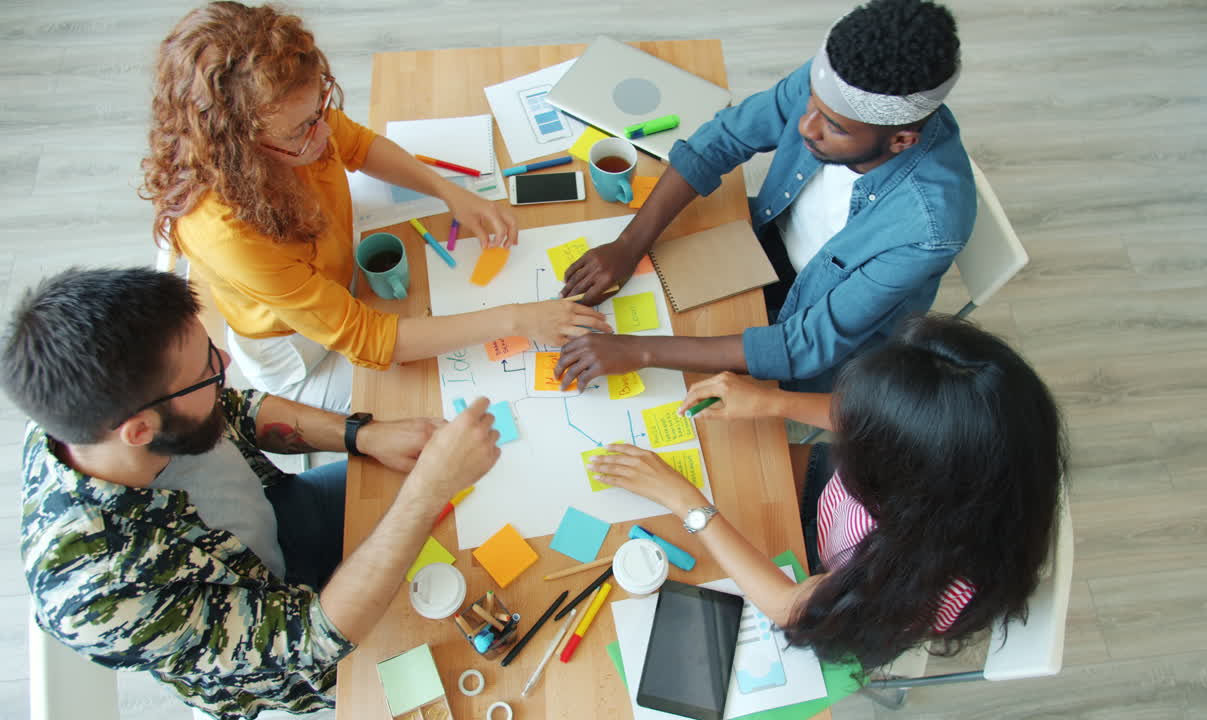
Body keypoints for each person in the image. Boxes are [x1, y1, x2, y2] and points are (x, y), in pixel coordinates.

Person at [5, 267, 502, 719]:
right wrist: (425, 491)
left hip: (285, 516)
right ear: (139, 431)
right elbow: (313, 640)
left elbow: (237, 410)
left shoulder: (96, 415)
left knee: (473, 517)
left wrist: (362, 435)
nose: (225, 362)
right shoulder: (98, 593)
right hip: (303, 647)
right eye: (207, 370)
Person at [141, 2, 610, 413]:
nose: (325, 134)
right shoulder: (227, 231)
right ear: (238, 149)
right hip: (297, 352)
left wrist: (449, 191)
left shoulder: (293, 119)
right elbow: (369, 340)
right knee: (430, 404)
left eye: (321, 109)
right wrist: (519, 319)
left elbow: (358, 145)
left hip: (338, 285)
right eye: (302, 130)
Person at [588, 315, 1067, 672]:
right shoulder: (989, 446)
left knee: (721, 513)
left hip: (850, 590)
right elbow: (882, 419)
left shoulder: (929, 578)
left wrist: (685, 501)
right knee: (740, 468)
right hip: (837, 516)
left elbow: (789, 608)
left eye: (861, 436)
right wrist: (772, 401)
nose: (849, 431)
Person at [556, 0, 975, 393]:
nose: (806, 127)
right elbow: (721, 140)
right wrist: (630, 244)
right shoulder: (836, 86)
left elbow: (806, 344)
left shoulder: (928, 227)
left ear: (902, 140)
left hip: (815, 336)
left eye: (834, 128)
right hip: (763, 248)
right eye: (811, 103)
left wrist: (641, 351)